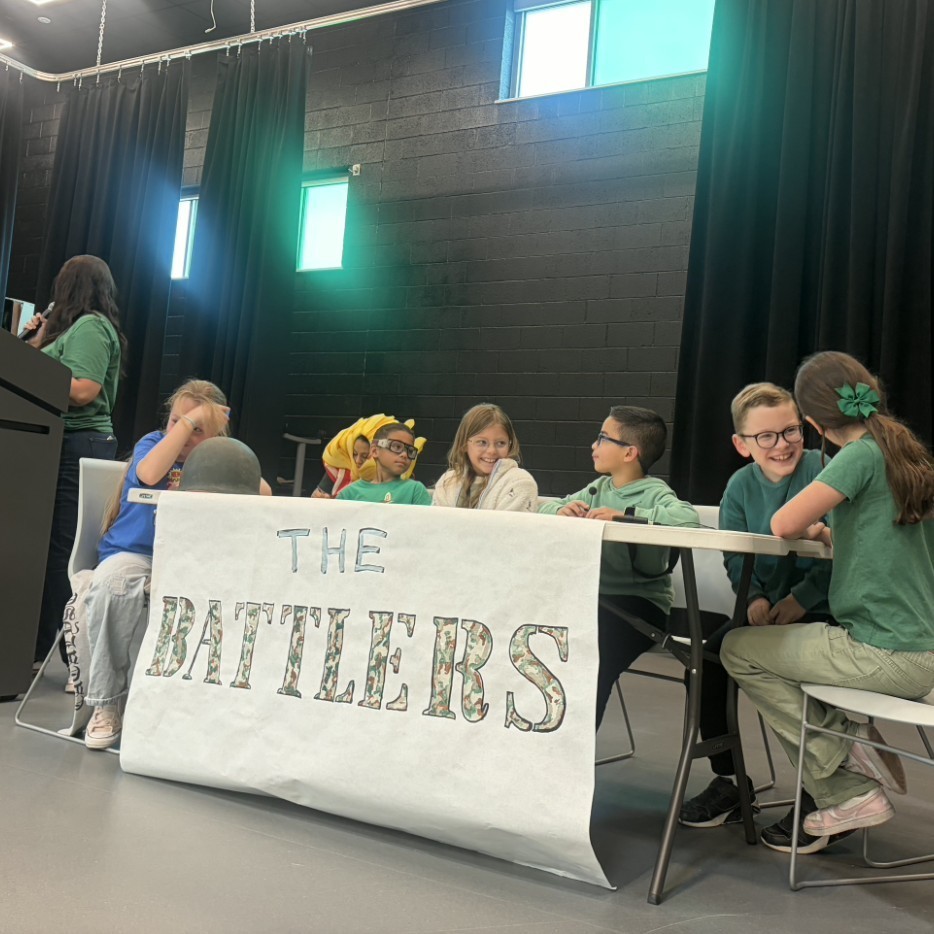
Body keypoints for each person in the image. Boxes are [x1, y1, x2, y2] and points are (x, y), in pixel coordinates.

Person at [722, 351, 934, 839]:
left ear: (813, 422)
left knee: (738, 650)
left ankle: (846, 784)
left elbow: (783, 524)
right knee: (774, 652)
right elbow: (879, 541)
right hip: (918, 647)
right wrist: (829, 534)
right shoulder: (903, 451)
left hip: (885, 652)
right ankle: (845, 745)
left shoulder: (857, 456)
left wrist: (811, 528)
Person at [679, 383, 836, 852]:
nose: (781, 444)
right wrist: (753, 599)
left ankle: (822, 793)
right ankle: (729, 780)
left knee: (794, 673)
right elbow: (733, 556)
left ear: (804, 430)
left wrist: (801, 600)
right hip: (764, 612)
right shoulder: (740, 487)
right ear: (741, 445)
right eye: (765, 437)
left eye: (789, 430)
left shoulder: (824, 471)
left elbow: (850, 551)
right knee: (705, 661)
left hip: (824, 612)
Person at [83, 380, 231, 749]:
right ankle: (106, 704)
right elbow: (149, 476)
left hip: (191, 558)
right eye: (176, 421)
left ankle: (193, 711)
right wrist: (184, 428)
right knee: (111, 587)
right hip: (136, 553)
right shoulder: (153, 444)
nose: (183, 433)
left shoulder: (216, 457)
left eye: (196, 429)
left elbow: (262, 493)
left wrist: (219, 454)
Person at [538, 406, 698, 725]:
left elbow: (688, 520)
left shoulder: (655, 493)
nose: (593, 446)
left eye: (602, 438)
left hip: (639, 608)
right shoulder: (597, 490)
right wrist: (560, 510)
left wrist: (627, 515)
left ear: (629, 453)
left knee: (592, 664)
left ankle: (573, 759)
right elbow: (548, 506)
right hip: (593, 602)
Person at [23, 255, 125, 665]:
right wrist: (37, 338)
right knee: (48, 547)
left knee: (66, 550)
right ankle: (38, 647)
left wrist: (44, 353)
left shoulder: (91, 327)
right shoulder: (68, 330)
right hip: (60, 443)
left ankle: (73, 654)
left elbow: (83, 390)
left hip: (82, 443)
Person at [432, 403, 537, 511]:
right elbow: (437, 525)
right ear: (464, 444)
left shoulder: (519, 482)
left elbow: (506, 527)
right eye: (482, 442)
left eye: (501, 443)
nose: (491, 451)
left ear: (510, 445)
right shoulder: (447, 482)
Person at [312, 415, 426, 498]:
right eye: (354, 454)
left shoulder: (403, 480)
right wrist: (320, 499)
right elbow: (315, 498)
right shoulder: (340, 472)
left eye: (365, 456)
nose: (357, 461)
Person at [337, 422, 432, 505]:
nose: (404, 455)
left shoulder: (414, 490)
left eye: (410, 451)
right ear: (374, 451)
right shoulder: (349, 494)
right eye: (397, 446)